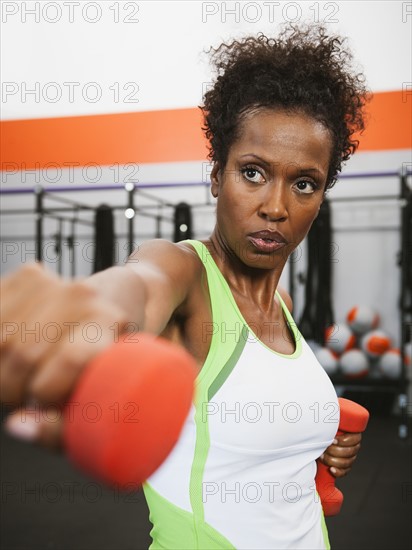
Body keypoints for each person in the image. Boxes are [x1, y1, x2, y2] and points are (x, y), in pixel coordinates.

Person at [1, 24, 368, 550]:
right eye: (253, 173)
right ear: (217, 175)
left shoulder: (282, 308)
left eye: (304, 183)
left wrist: (319, 446)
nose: (276, 206)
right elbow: (139, 286)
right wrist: (85, 314)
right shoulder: (186, 278)